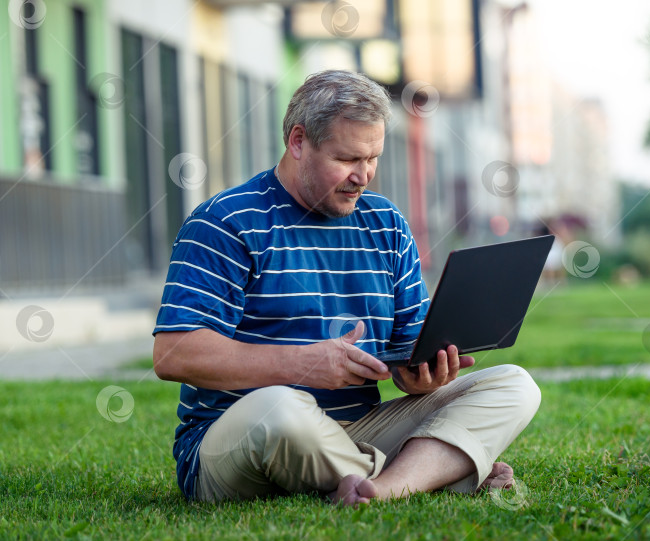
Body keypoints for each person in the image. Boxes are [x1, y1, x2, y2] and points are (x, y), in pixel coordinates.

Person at [152, 70, 541, 506]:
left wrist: (421, 375)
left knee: (514, 385)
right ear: (298, 142)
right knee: (279, 410)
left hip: (356, 430)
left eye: (372, 157)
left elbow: (407, 344)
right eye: (348, 159)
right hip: (243, 439)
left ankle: (383, 489)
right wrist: (302, 365)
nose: (364, 175)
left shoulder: (387, 224)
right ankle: (438, 472)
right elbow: (173, 354)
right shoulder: (224, 221)